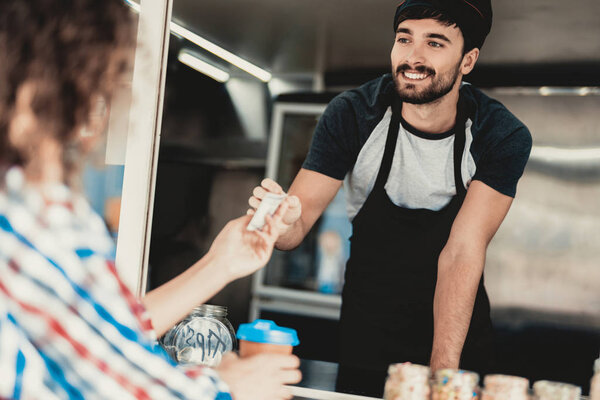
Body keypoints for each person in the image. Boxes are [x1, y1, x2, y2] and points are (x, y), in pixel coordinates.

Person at [0, 1, 300, 399]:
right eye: (101, 86)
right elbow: (122, 386)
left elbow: (98, 334)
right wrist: (225, 386)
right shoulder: (30, 215)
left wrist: (220, 263)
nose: (99, 119)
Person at [248, 0, 532, 396]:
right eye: (404, 39)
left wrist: (441, 377)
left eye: (435, 43)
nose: (412, 57)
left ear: (468, 60)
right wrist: (276, 219)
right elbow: (295, 230)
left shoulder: (498, 135)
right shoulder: (353, 115)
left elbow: (462, 251)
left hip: (454, 332)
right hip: (368, 331)